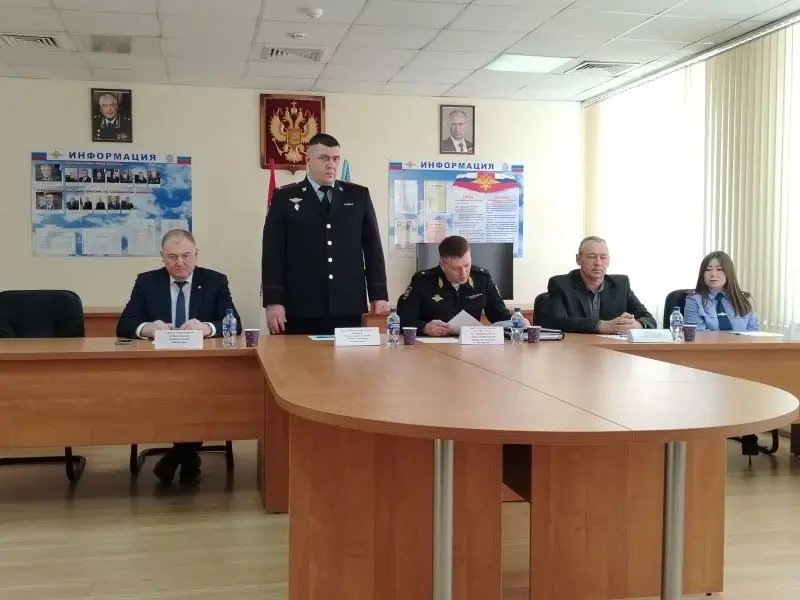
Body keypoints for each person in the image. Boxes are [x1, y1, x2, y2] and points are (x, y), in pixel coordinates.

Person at [117, 229, 241, 484]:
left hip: (204, 369)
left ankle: (178, 456)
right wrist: (148, 328)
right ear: (162, 257)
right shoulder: (147, 282)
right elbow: (124, 324)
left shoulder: (215, 281)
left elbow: (234, 323)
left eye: (186, 255)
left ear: (196, 254)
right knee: (179, 396)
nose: (180, 263)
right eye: (172, 257)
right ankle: (187, 457)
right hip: (159, 370)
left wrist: (207, 327)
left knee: (200, 394)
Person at [262, 133, 389, 334]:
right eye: (324, 158)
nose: (331, 165)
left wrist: (379, 294)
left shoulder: (358, 196)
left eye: (336, 159)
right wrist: (273, 301)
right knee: (298, 355)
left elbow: (373, 249)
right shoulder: (284, 197)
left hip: (347, 303)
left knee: (348, 356)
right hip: (301, 305)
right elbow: (273, 254)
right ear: (308, 160)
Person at [397, 235, 519, 335]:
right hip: (431, 346)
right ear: (442, 265)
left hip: (470, 345)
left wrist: (517, 321)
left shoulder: (483, 279)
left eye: (467, 265)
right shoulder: (422, 281)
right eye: (455, 268)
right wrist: (424, 327)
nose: (464, 273)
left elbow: (500, 315)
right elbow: (403, 319)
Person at [539, 236, 656, 333]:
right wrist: (601, 326)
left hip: (612, 350)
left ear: (609, 260)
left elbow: (649, 319)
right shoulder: (560, 284)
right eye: (592, 257)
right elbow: (557, 321)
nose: (598, 263)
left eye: (603, 257)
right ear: (578, 259)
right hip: (573, 349)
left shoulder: (621, 284)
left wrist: (636, 325)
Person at [683, 251, 758, 331]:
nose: (713, 274)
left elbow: (753, 332)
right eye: (708, 269)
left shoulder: (743, 300)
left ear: (729, 273)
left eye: (719, 269)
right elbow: (698, 334)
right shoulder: (694, 300)